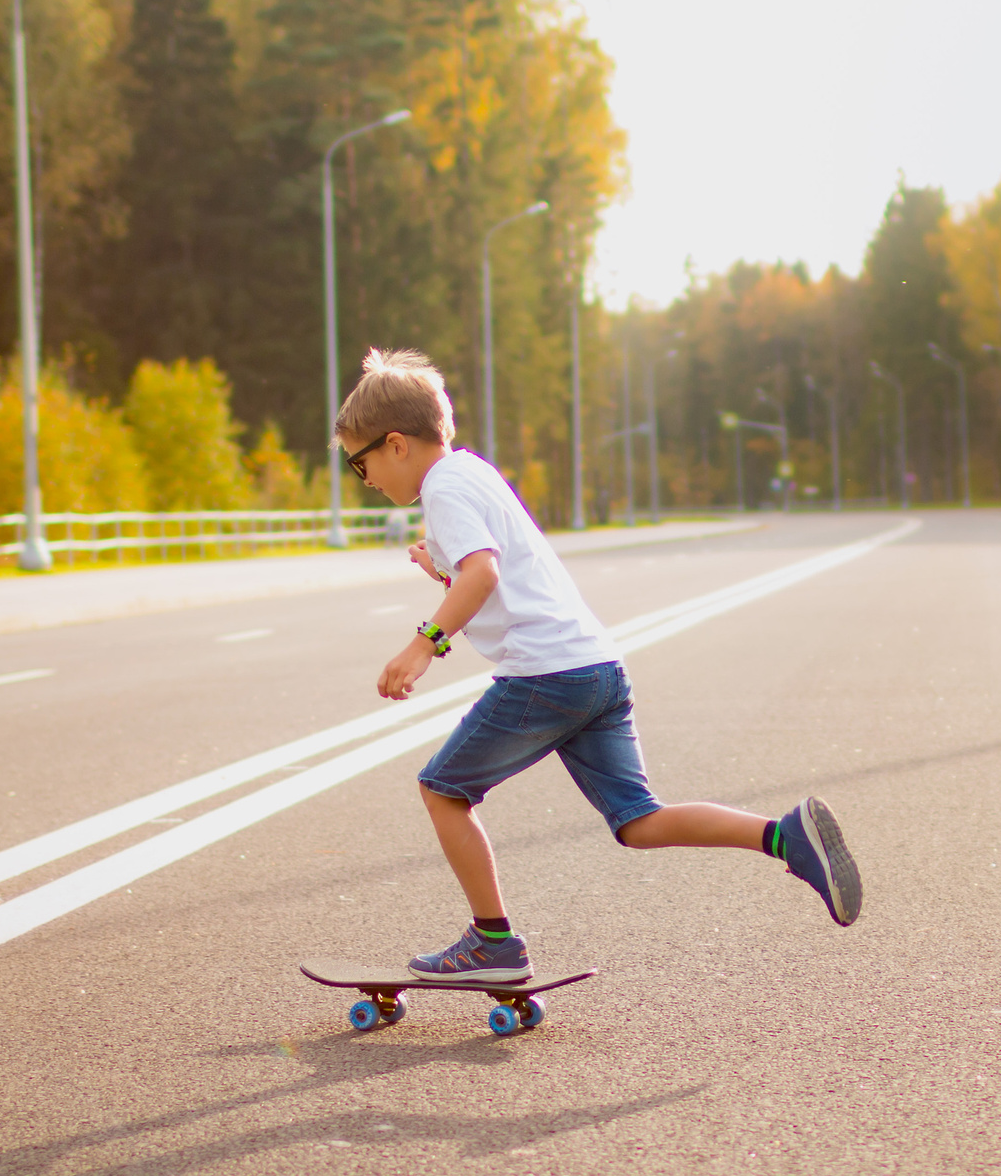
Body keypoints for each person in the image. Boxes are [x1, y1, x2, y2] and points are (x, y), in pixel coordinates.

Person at [334, 348, 859, 980]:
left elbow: (483, 572)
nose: (365, 481)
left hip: (545, 675)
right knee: (638, 820)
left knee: (442, 790)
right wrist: (440, 569)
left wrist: (423, 644)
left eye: (360, 465)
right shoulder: (470, 472)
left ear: (396, 445)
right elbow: (492, 578)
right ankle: (786, 837)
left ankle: (492, 943)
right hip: (598, 669)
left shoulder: (442, 490)